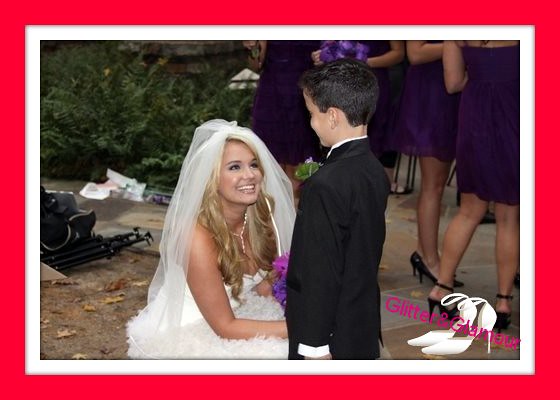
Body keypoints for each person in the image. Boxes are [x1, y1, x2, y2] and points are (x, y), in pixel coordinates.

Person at [127, 119, 296, 359]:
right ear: (211, 178)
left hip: (239, 312)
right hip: (192, 331)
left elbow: (263, 286)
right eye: (234, 167)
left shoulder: (260, 214)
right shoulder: (196, 236)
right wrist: (303, 328)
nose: (249, 175)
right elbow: (225, 327)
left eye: (254, 164)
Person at [285, 59, 390, 359]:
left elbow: (320, 270)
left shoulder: (325, 185)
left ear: (332, 116)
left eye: (311, 114)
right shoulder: (374, 170)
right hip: (359, 324)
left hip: (330, 337)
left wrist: (314, 345)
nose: (310, 123)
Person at [428, 41, 519, 332]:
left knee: (468, 211)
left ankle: (441, 288)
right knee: (508, 216)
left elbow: (453, 83)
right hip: (515, 113)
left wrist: (482, 76)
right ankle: (503, 302)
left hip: (475, 117)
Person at [391, 41, 463, 287]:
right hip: (430, 95)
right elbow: (415, 53)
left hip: (448, 92)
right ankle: (429, 258)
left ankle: (426, 252)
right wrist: (457, 43)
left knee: (437, 184)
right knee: (433, 185)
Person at [244, 40, 321, 201]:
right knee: (269, 166)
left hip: (305, 95)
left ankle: (300, 213)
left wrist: (324, 59)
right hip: (272, 95)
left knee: (301, 169)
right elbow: (255, 65)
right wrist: (253, 48)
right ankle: (274, 213)